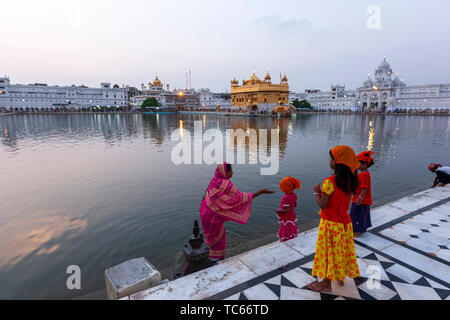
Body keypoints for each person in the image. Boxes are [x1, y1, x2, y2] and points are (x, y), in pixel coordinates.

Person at [308, 145, 361, 292]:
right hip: (344, 223)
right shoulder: (350, 180)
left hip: (330, 224)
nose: (329, 160)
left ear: (337, 161)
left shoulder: (330, 182)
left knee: (327, 253)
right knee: (339, 251)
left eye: (331, 158)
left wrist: (315, 192)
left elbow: (323, 205)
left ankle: (326, 282)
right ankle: (338, 276)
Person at [199, 163, 275, 261]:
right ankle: (215, 260)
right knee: (219, 240)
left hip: (205, 212)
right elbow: (240, 199)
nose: (233, 172)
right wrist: (260, 192)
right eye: (231, 170)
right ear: (226, 172)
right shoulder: (226, 185)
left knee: (211, 237)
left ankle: (210, 255)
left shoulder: (215, 180)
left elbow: (207, 194)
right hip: (214, 217)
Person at [350, 151, 375, 237]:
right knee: (362, 214)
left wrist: (360, 198)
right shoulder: (366, 173)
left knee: (355, 214)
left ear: (364, 165)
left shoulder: (362, 175)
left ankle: (356, 231)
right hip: (364, 199)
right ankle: (361, 229)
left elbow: (365, 188)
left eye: (358, 164)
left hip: (360, 200)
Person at [276, 177, 301, 242]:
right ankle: (291, 236)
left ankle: (286, 238)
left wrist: (278, 210)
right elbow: (295, 205)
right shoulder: (294, 195)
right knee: (291, 226)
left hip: (287, 217)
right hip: (292, 215)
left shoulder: (285, 198)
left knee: (285, 227)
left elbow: (287, 210)